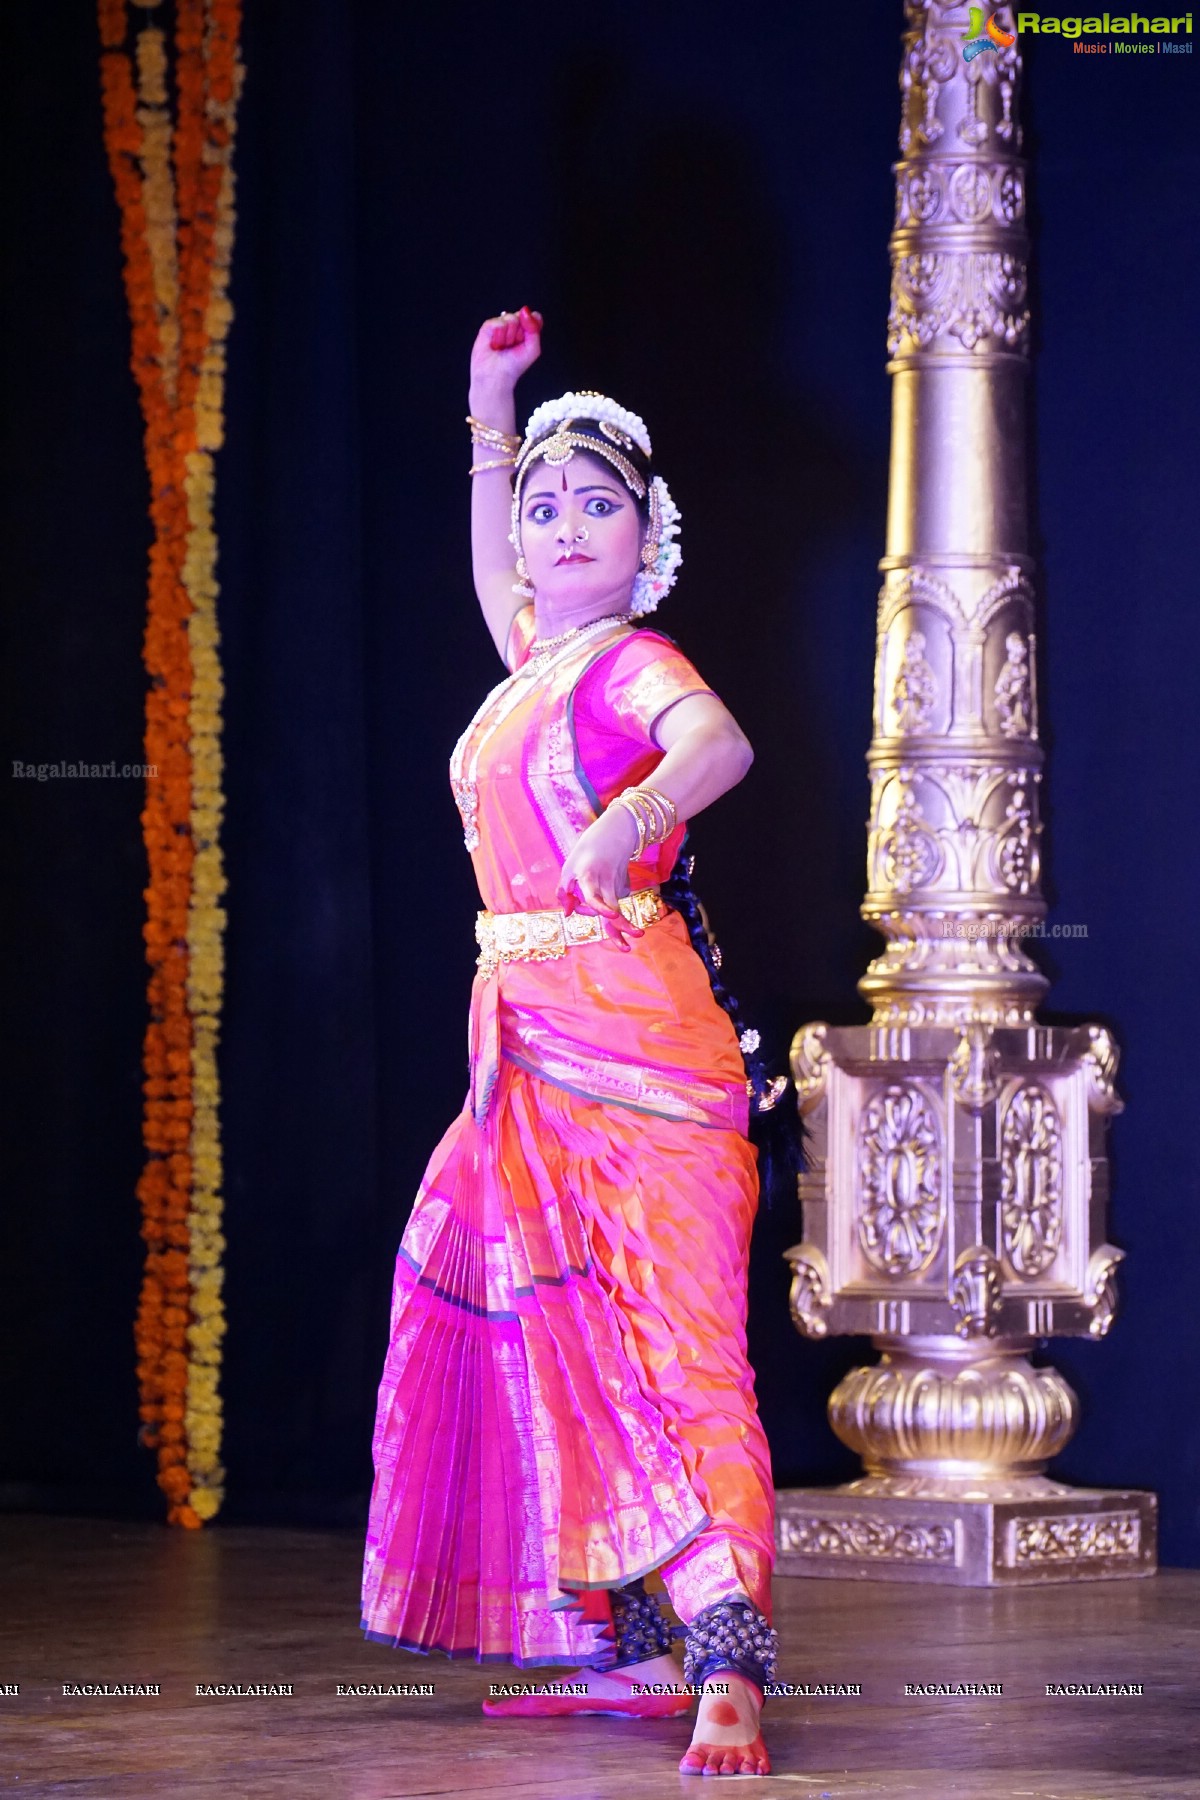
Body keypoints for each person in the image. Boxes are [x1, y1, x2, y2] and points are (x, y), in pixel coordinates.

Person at [360, 305, 781, 1778]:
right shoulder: (535, 657)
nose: (558, 527)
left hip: (639, 1045)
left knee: (675, 1344)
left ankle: (728, 1661)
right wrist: (492, 404)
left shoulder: (627, 667)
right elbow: (491, 561)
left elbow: (716, 745)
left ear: (644, 531)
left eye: (595, 503)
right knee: (551, 1327)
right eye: (544, 507)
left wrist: (635, 811)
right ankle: (633, 1648)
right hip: (522, 1043)